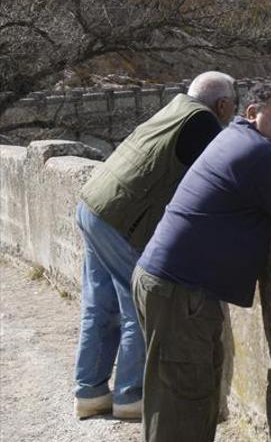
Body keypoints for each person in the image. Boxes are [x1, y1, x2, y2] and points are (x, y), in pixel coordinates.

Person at [132, 83, 271, 441]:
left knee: (188, 394)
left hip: (170, 282)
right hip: (182, 291)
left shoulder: (234, 139)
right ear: (252, 113)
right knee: (183, 401)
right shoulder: (259, 152)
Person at [74, 71, 239, 420]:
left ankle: (89, 392)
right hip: (121, 219)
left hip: (92, 205)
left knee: (99, 304)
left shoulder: (175, 108)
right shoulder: (203, 124)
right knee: (137, 305)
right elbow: (218, 183)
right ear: (222, 104)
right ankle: (130, 396)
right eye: (233, 104)